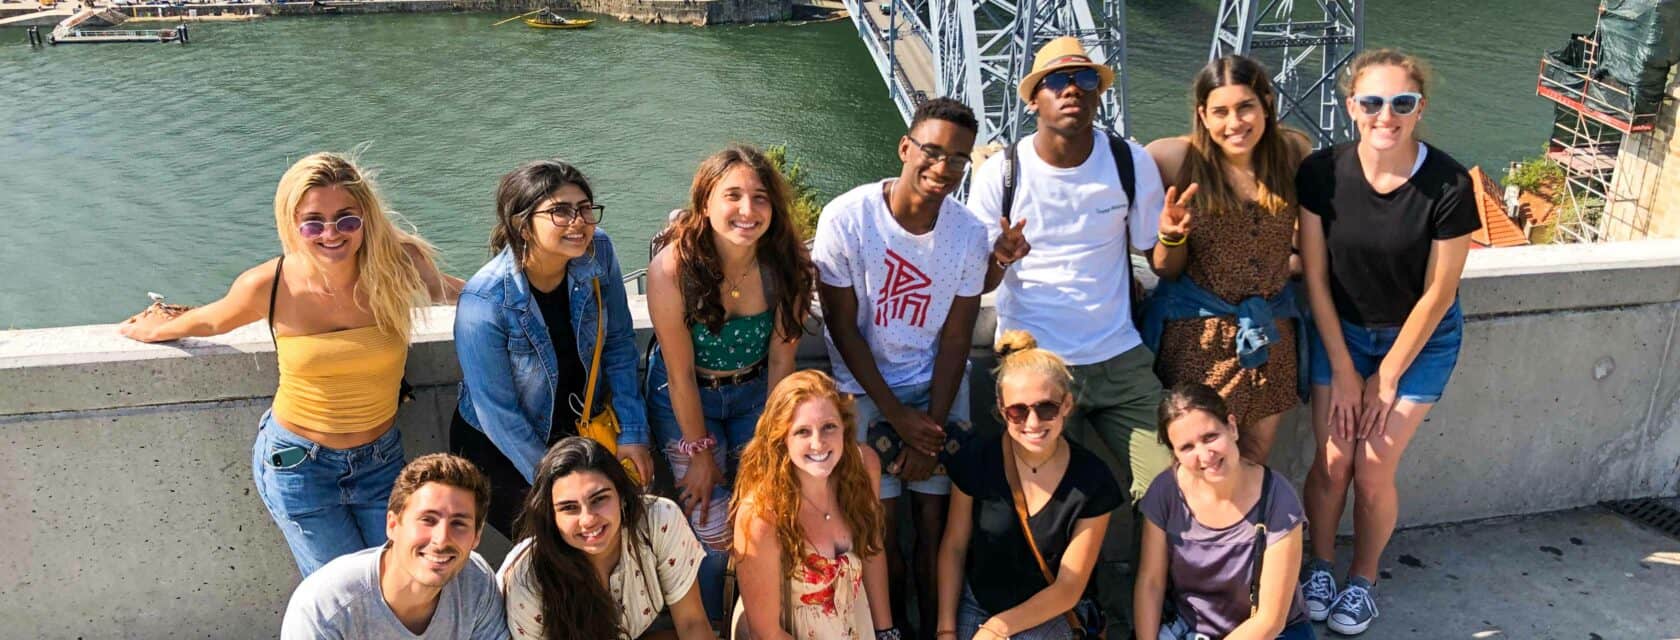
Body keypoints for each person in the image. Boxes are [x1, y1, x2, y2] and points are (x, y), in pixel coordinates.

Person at [118, 152, 460, 576]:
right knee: (345, 593)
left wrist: (537, 280)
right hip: (300, 466)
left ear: (366, 217)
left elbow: (458, 292)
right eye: (314, 222)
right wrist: (153, 326)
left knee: (402, 582)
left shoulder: (396, 265)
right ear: (291, 223)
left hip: (382, 463)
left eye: (346, 219)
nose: (331, 234)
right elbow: (212, 319)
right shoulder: (271, 283)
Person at [966, 35, 1174, 624]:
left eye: (1085, 81)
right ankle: (1081, 613)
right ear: (1034, 98)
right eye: (1057, 82)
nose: (1073, 92)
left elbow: (1155, 256)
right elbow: (977, 283)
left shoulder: (1129, 161)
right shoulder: (1001, 174)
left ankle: (1158, 609)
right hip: (1036, 365)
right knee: (1053, 507)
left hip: (1120, 355)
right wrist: (1002, 256)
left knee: (1167, 491)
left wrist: (1177, 236)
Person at [1296, 49, 1478, 636]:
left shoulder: (1448, 182)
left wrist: (1387, 375)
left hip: (1420, 340)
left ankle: (1363, 579)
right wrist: (1348, 372)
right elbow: (1316, 279)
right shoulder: (1322, 173)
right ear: (1351, 107)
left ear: (1419, 108)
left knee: (1372, 467)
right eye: (1372, 102)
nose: (1386, 116)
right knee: (1332, 460)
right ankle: (1320, 566)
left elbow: (1439, 293)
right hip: (1341, 331)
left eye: (1401, 103)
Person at [812, 96, 989, 639]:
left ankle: (936, 628)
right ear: (905, 148)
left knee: (934, 525)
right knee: (880, 527)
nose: (943, 168)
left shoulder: (969, 234)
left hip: (934, 387)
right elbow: (843, 329)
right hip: (864, 390)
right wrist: (894, 414)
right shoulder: (847, 217)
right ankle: (887, 629)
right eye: (931, 152)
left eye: (958, 159)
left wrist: (927, 430)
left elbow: (958, 336)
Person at [645, 144, 815, 621]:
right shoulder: (673, 270)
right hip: (687, 396)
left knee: (764, 511)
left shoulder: (786, 267)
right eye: (732, 195)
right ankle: (708, 624)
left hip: (756, 395)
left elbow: (783, 363)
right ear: (705, 202)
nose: (747, 210)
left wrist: (767, 444)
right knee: (712, 527)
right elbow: (678, 373)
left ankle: (761, 619)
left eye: (760, 198)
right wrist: (699, 452)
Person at [452, 159, 652, 538]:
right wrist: (557, 484)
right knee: (556, 548)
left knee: (614, 537)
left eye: (584, 209)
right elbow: (497, 412)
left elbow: (620, 344)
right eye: (560, 211)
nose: (578, 222)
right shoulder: (486, 301)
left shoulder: (598, 252)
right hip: (506, 449)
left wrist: (633, 431)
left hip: (582, 428)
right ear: (522, 223)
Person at [1142, 55, 1313, 463]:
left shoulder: (1291, 153)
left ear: (1266, 105)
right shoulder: (1172, 159)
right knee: (1196, 459)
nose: (1234, 123)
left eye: (1245, 107)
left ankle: (1243, 530)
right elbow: (1164, 267)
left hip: (1271, 336)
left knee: (1253, 456)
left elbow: (1307, 238)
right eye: (1220, 111)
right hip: (1198, 339)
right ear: (1202, 113)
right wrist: (1171, 235)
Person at [936, 331, 1121, 639]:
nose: (1032, 423)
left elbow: (1068, 588)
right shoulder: (977, 460)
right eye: (1017, 411)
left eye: (1046, 407)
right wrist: (945, 630)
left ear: (1067, 405)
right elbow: (954, 547)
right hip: (982, 605)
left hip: (1053, 610)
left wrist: (996, 631)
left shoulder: (1092, 479)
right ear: (1000, 409)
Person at [1134, 383, 1314, 640]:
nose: (1205, 455)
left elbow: (1269, 620)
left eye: (1210, 437)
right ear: (1174, 453)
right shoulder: (1165, 492)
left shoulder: (1278, 499)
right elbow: (1151, 582)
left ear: (1231, 427)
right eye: (1187, 447)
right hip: (1192, 628)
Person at [729, 370, 896, 639]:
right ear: (781, 439)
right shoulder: (761, 513)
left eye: (829, 426)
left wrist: (887, 633)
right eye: (802, 432)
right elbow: (767, 633)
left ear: (845, 427)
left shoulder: (864, 469)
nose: (818, 443)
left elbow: (872, 551)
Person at [498, 437, 712, 639]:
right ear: (551, 516)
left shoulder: (660, 520)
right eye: (569, 508)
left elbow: (692, 623)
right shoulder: (527, 580)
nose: (588, 519)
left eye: (599, 499)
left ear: (621, 496)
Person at [280, 453, 508, 639]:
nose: (441, 539)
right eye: (427, 519)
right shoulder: (325, 609)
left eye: (459, 523)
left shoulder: (476, 583)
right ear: (392, 524)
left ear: (476, 536)